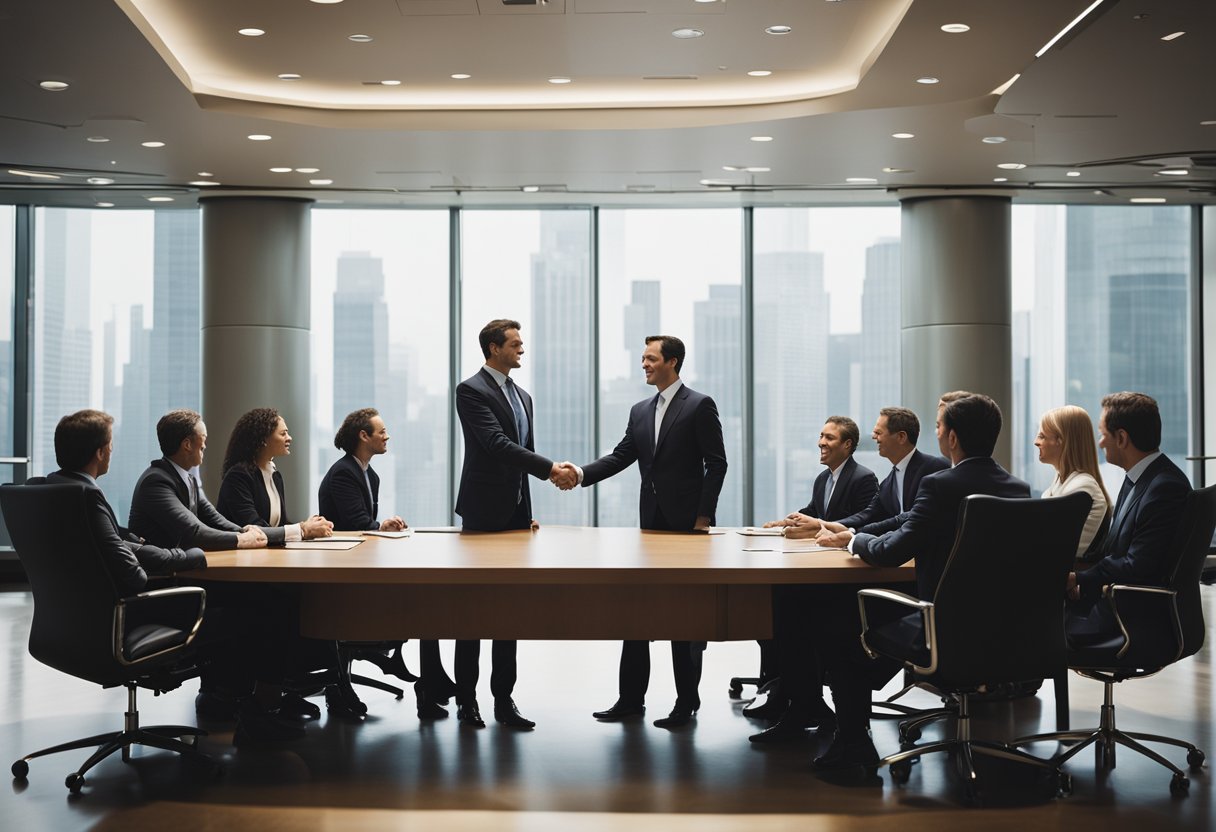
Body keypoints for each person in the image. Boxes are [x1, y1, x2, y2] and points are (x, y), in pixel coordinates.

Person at [806, 393, 1031, 774]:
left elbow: (892, 551)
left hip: (945, 629)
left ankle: (854, 746)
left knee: (843, 630)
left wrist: (852, 540)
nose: (937, 434)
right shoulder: (1018, 489)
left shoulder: (940, 485)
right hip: (1006, 633)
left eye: (940, 428)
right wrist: (855, 531)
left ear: (953, 438)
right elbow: (902, 523)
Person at [52, 410, 303, 743]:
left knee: (253, 598)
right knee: (267, 606)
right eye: (110, 445)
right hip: (141, 607)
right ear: (100, 452)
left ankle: (227, 698)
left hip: (84, 618)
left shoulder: (60, 491)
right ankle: (257, 712)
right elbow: (135, 567)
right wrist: (189, 556)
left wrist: (247, 533)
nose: (112, 450)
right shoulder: (104, 492)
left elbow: (123, 542)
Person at [574, 335, 728, 729]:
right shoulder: (640, 410)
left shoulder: (698, 405)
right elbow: (623, 455)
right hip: (651, 526)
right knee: (637, 611)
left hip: (686, 530)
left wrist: (703, 517)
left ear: (672, 362)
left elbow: (717, 463)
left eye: (650, 358)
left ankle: (686, 702)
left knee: (685, 620)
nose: (643, 364)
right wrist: (579, 474)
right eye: (642, 358)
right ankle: (630, 700)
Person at [453, 319, 567, 730]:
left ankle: (504, 700)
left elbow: (522, 452)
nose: (522, 349)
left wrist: (525, 506)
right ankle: (467, 700)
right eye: (515, 344)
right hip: (483, 515)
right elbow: (496, 445)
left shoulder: (524, 396)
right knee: (472, 611)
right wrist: (551, 469)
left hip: (516, 516)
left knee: (508, 612)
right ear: (492, 347)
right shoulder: (471, 390)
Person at [319, 407, 454, 721]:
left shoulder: (370, 475)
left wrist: (382, 526)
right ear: (363, 436)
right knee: (422, 604)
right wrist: (380, 526)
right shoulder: (344, 472)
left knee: (425, 601)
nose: (387, 436)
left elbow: (364, 524)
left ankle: (429, 680)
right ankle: (427, 681)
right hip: (346, 576)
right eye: (381, 431)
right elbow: (356, 524)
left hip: (362, 566)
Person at [748, 416, 878, 732]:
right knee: (774, 602)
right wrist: (789, 521)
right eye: (820, 435)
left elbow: (864, 518)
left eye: (829, 438)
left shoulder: (864, 478)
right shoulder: (823, 479)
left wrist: (817, 525)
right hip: (820, 567)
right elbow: (813, 512)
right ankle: (788, 695)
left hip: (843, 578)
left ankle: (801, 703)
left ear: (847, 445)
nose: (821, 442)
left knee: (788, 607)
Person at [1065, 392, 1190, 645]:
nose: (1099, 443)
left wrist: (1080, 578)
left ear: (1121, 438)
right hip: (1114, 603)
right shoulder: (1141, 477)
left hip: (1131, 618)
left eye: (1103, 434)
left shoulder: (1164, 488)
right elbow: (1117, 550)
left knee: (1033, 629)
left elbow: (1138, 565)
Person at [803, 407, 950, 545]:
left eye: (879, 433)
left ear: (901, 437)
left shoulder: (935, 468)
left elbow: (912, 519)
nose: (874, 437)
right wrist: (831, 526)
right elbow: (869, 514)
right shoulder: (888, 482)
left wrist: (850, 533)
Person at [128, 409, 268, 552]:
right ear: (187, 444)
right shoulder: (155, 482)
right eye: (203, 438)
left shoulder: (189, 479)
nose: (205, 446)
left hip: (183, 564)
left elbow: (214, 520)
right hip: (160, 571)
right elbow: (193, 532)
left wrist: (244, 532)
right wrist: (241, 539)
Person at [217, 407, 333, 544]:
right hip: (238, 557)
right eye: (283, 434)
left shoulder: (275, 475)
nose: (289, 438)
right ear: (263, 440)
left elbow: (279, 525)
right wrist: (302, 529)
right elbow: (253, 527)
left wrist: (308, 525)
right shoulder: (238, 476)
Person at [1035, 405, 1110, 558]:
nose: (1036, 442)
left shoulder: (1082, 487)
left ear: (1061, 440)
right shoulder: (1064, 482)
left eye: (1042, 436)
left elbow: (1052, 548)